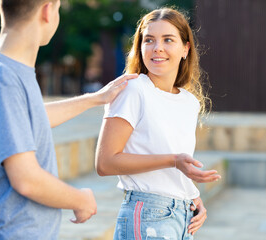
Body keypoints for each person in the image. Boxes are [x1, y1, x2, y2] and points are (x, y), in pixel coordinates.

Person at [0, 0, 137, 239]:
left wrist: (95, 99)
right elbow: (26, 179)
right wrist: (80, 198)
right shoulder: (2, 79)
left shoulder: (8, 71)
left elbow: (27, 118)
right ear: (48, 9)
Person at [95, 7, 221, 240]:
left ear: (185, 48)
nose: (157, 48)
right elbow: (105, 163)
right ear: (140, 47)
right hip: (147, 215)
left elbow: (172, 163)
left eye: (168, 40)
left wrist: (192, 195)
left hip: (183, 216)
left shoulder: (189, 102)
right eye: (149, 40)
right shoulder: (133, 89)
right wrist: (173, 161)